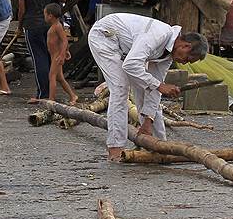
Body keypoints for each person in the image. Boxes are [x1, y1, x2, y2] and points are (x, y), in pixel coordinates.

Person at [88, 14, 209, 161]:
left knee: (148, 88)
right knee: (120, 89)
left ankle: (160, 146)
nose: (184, 63)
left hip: (124, 48)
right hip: (104, 36)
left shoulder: (168, 55)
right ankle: (115, 148)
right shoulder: (158, 35)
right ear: (185, 46)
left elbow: (155, 89)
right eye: (188, 58)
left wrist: (147, 122)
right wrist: (160, 86)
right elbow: (131, 65)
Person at [17, 0, 67, 102]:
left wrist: (20, 27)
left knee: (39, 59)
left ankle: (43, 94)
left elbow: (21, 11)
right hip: (49, 26)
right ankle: (50, 93)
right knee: (49, 57)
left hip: (32, 26)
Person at [43, 3, 78, 105]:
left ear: (50, 15)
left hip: (57, 56)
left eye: (45, 14)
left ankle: (52, 99)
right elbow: (63, 41)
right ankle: (73, 96)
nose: (44, 17)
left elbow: (64, 40)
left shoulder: (57, 26)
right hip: (54, 55)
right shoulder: (54, 26)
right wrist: (66, 51)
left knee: (52, 76)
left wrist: (62, 54)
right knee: (60, 78)